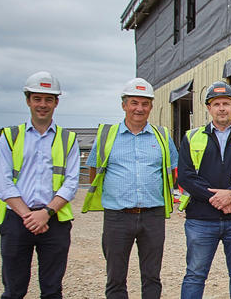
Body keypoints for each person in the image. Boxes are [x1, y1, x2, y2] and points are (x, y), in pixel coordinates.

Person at [82, 78, 179, 299]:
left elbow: (173, 171)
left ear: (151, 106)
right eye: (134, 103)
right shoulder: (107, 136)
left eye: (145, 104)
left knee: (152, 276)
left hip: (153, 216)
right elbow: (94, 172)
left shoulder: (162, 136)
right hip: (117, 217)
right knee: (115, 277)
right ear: (124, 105)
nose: (139, 108)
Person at [0, 71, 80, 299]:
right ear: (28, 100)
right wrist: (29, 217)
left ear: (56, 102)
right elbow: (2, 183)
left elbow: (71, 183)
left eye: (48, 99)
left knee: (52, 290)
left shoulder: (67, 139)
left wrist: (46, 213)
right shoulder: (10, 137)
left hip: (55, 221)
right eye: (37, 99)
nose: (43, 105)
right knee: (14, 290)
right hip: (16, 221)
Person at [177, 81, 231, 299]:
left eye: (227, 103)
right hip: (201, 219)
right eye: (216, 104)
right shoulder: (191, 137)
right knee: (195, 274)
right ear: (209, 108)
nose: (222, 108)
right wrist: (216, 198)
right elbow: (187, 177)